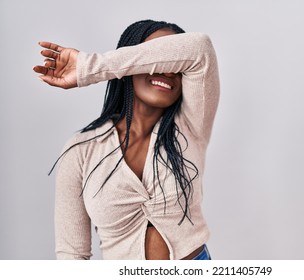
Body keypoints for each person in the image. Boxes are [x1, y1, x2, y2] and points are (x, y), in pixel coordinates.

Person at [33, 19, 219, 260]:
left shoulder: (190, 127)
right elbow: (72, 253)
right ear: (129, 64)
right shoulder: (81, 150)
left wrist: (91, 68)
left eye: (173, 61)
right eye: (154, 58)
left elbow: (200, 48)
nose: (170, 70)